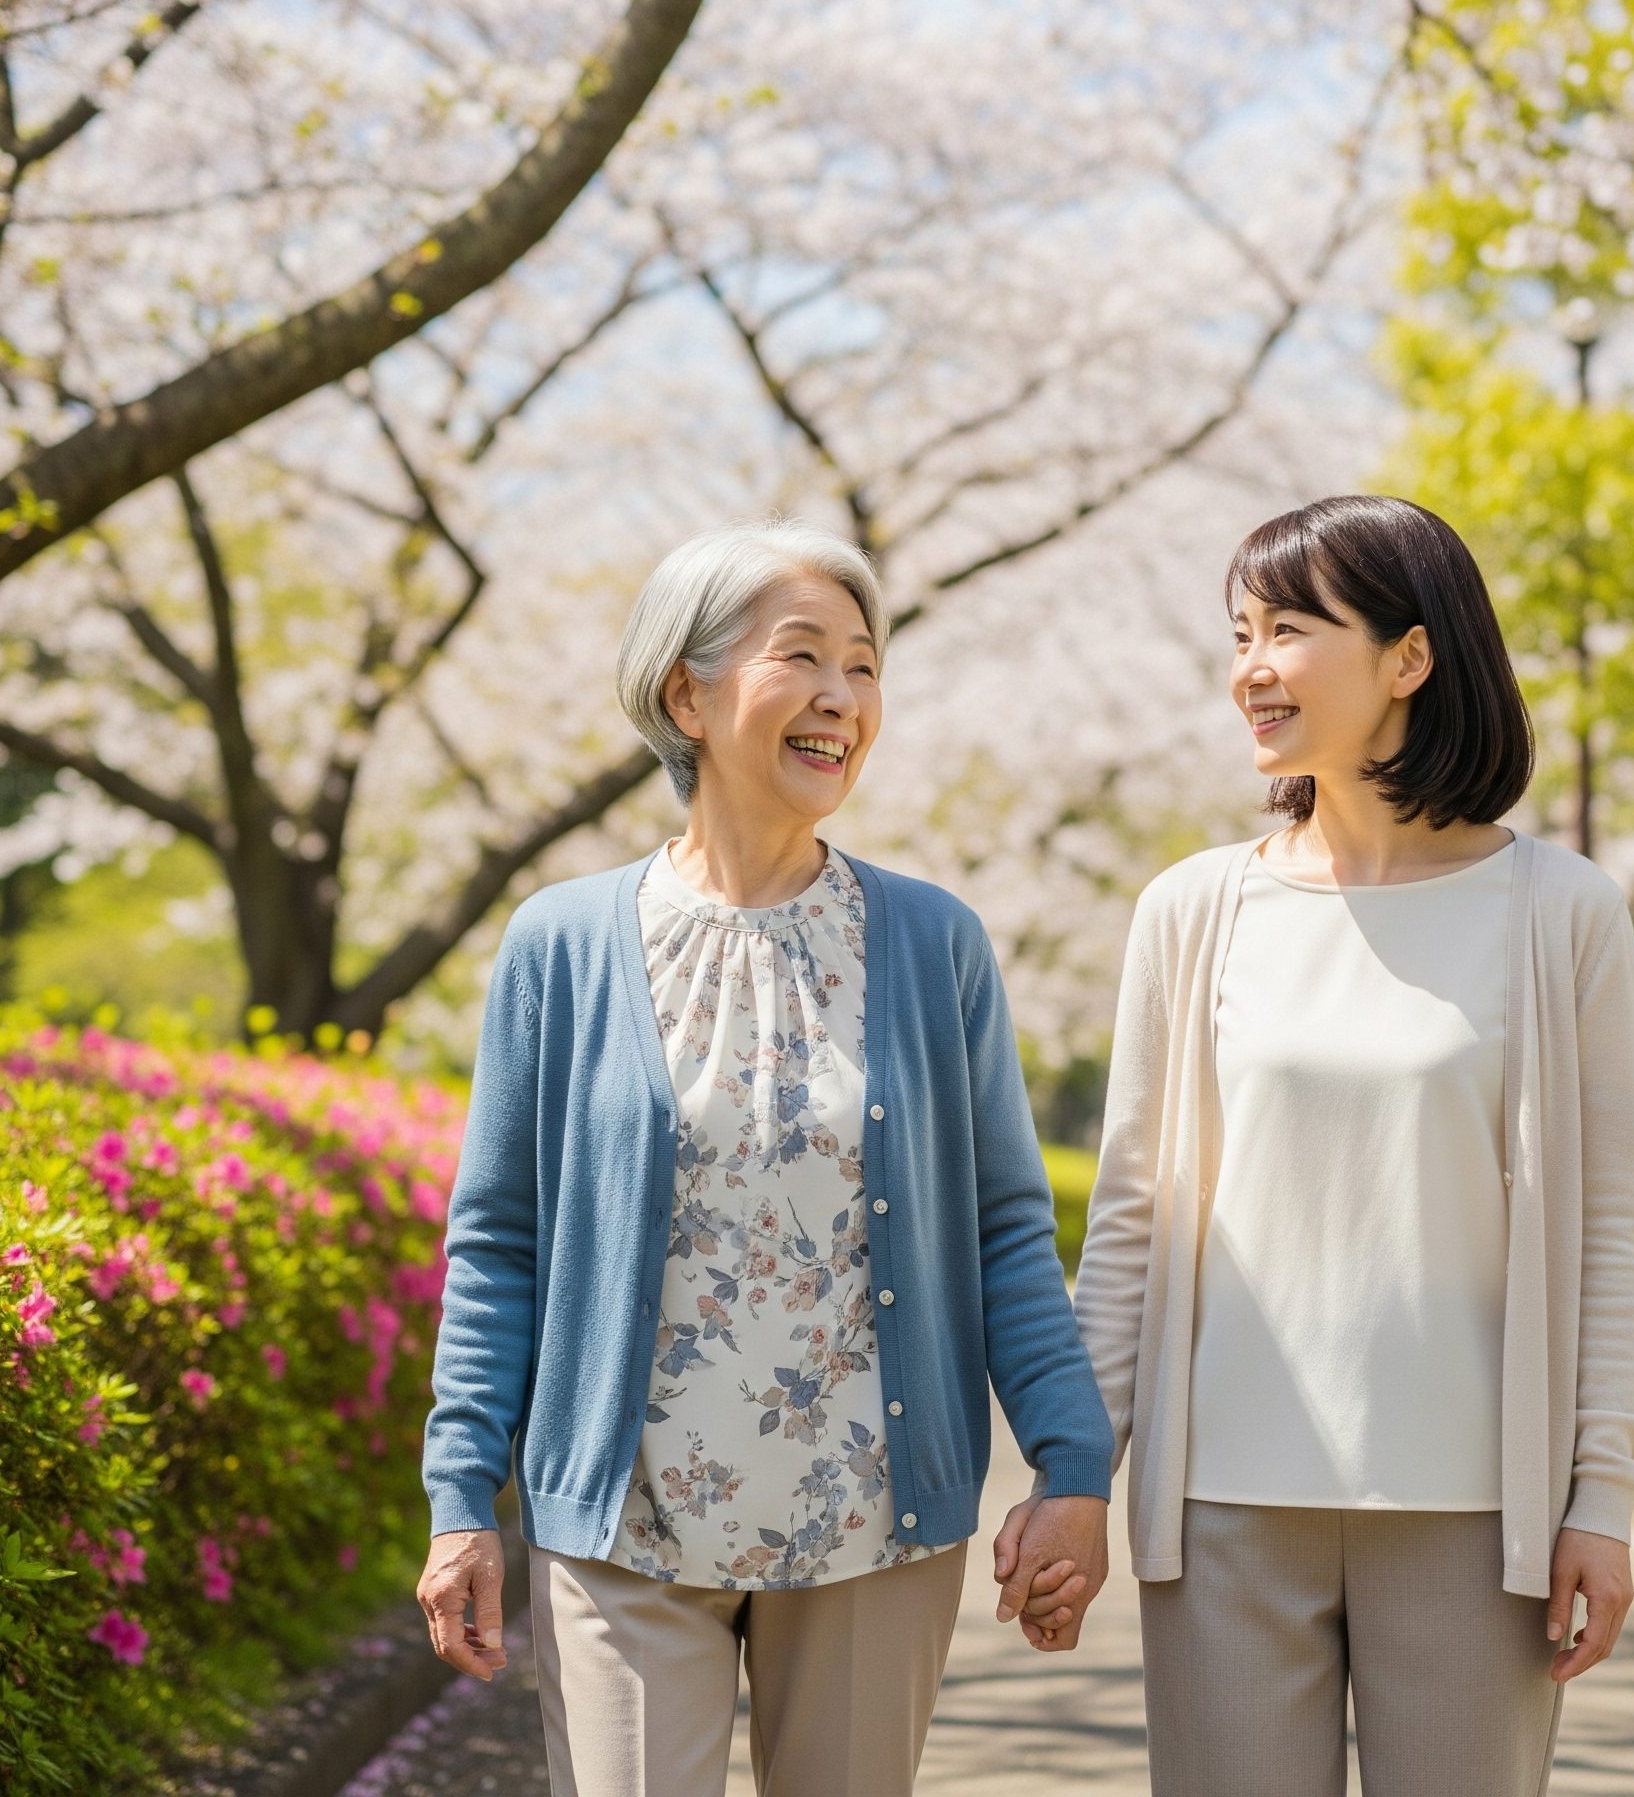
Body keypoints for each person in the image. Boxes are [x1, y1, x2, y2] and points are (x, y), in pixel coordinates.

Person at [416, 515, 1113, 1797]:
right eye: (802, 656)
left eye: (863, 665)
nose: (842, 698)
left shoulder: (930, 941)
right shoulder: (560, 945)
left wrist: (1072, 1464)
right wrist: (462, 1494)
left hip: (870, 1520)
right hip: (623, 1526)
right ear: (684, 691)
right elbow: (498, 1242)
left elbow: (1003, 1228)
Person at [1066, 495, 1634, 1796]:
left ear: (1409, 656)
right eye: (1239, 634)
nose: (1251, 670)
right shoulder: (1193, 910)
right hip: (1220, 1511)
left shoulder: (1564, 915)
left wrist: (1598, 1505)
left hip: (1473, 1524)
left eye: (1288, 629)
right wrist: (1071, 1471)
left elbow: (1607, 1236)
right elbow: (1133, 1220)